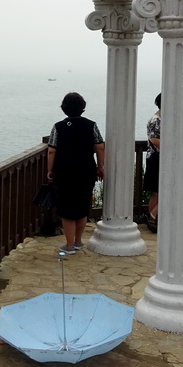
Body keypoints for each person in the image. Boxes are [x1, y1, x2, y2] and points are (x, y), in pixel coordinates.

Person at [47, 92, 105, 255]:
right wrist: (101, 166)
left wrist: (50, 170)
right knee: (82, 204)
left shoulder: (58, 127)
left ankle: (69, 245)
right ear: (82, 108)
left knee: (67, 209)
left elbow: (52, 150)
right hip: (86, 170)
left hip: (64, 172)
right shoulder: (91, 125)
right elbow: (100, 146)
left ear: (64, 108)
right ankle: (79, 241)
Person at [144, 93, 161, 233]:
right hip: (156, 158)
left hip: (158, 158)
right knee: (158, 192)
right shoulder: (156, 120)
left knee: (157, 192)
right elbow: (154, 140)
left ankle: (152, 218)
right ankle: (153, 217)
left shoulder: (161, 119)